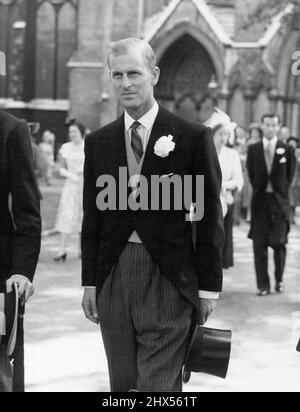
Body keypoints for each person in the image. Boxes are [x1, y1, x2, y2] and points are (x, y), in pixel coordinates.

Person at [81, 38, 224, 392]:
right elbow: (93, 219)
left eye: (134, 73)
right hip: (113, 278)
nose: (125, 83)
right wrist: (90, 282)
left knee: (157, 388)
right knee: (123, 386)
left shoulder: (192, 138)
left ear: (154, 75)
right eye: (117, 75)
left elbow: (208, 219)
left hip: (168, 278)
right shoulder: (98, 142)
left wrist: (208, 288)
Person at [247, 114, 296, 296]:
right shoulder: (254, 149)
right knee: (259, 245)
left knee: (279, 242)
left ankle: (279, 280)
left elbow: (290, 175)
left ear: (278, 126)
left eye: (274, 125)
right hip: (260, 202)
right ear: (262, 126)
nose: (270, 128)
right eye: (267, 125)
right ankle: (263, 285)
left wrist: (280, 191)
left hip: (279, 202)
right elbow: (252, 174)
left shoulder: (287, 150)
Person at [212, 124, 244, 269]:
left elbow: (239, 179)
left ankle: (221, 265)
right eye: (220, 134)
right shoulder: (205, 151)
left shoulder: (232, 154)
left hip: (225, 197)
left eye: (226, 134)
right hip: (205, 199)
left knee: (223, 234)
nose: (223, 138)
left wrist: (224, 185)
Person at [54, 121, 86, 261]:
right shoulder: (66, 148)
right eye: (70, 132)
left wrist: (83, 171)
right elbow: (58, 167)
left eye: (75, 131)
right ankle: (62, 250)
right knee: (67, 214)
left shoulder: (88, 145)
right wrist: (68, 174)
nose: (72, 134)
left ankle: (82, 249)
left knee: (83, 216)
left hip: (85, 185)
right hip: (71, 185)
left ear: (81, 132)